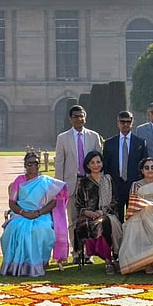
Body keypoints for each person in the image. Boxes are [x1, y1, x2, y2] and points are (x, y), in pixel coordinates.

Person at [1, 151, 69, 277]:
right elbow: (12, 203)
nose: (33, 166)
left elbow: (53, 203)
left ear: (39, 165)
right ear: (25, 165)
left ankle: (40, 263)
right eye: (29, 163)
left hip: (41, 214)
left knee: (41, 229)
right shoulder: (19, 180)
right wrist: (24, 213)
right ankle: (15, 265)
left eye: (36, 163)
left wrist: (38, 213)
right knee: (15, 228)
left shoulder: (46, 181)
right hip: (21, 214)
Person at [54, 105, 102, 251]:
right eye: (76, 116)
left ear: (85, 118)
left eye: (81, 116)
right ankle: (76, 251)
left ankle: (88, 252)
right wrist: (59, 186)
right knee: (73, 220)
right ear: (70, 119)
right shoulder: (63, 138)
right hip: (71, 184)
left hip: (91, 183)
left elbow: (99, 160)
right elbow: (59, 163)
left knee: (90, 219)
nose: (79, 119)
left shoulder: (93, 136)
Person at [74, 150, 123, 274]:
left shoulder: (108, 180)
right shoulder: (83, 182)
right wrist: (89, 213)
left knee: (104, 222)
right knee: (101, 223)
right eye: (92, 162)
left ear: (102, 163)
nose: (96, 165)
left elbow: (115, 201)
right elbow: (78, 204)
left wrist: (102, 212)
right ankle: (109, 260)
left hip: (107, 215)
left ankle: (109, 260)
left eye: (98, 162)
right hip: (87, 219)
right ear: (87, 165)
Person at [102, 111, 147, 219]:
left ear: (132, 123)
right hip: (116, 186)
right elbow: (106, 166)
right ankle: (119, 236)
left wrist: (140, 183)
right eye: (123, 122)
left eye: (128, 121)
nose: (126, 124)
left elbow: (144, 164)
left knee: (135, 218)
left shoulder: (140, 143)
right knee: (116, 217)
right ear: (118, 123)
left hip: (134, 186)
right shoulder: (109, 143)